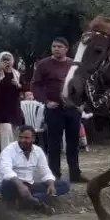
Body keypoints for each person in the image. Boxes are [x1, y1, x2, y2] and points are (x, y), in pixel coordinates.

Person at [32, 37, 87, 182]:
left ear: (66, 49)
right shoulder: (44, 65)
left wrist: (81, 104)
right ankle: (54, 174)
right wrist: (46, 101)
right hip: (54, 109)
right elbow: (35, 85)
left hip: (72, 109)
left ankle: (75, 173)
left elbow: (82, 83)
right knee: (54, 143)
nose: (56, 49)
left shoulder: (73, 64)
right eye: (54, 46)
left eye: (59, 46)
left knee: (73, 142)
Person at [0, 125, 69, 214]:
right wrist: (20, 185)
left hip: (29, 186)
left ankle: (29, 200)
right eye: (21, 137)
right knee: (9, 182)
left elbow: (45, 171)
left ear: (33, 139)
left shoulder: (38, 151)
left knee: (64, 185)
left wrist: (51, 184)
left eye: (26, 138)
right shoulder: (9, 150)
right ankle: (36, 201)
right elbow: (6, 171)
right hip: (11, 186)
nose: (23, 140)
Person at [0, 51, 23, 152]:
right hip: (2, 110)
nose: (7, 62)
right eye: (4, 60)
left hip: (14, 108)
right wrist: (0, 70)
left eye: (9, 60)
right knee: (6, 131)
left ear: (12, 61)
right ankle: (6, 156)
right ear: (0, 62)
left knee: (15, 133)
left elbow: (22, 90)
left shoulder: (17, 74)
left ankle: (16, 156)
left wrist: (18, 85)